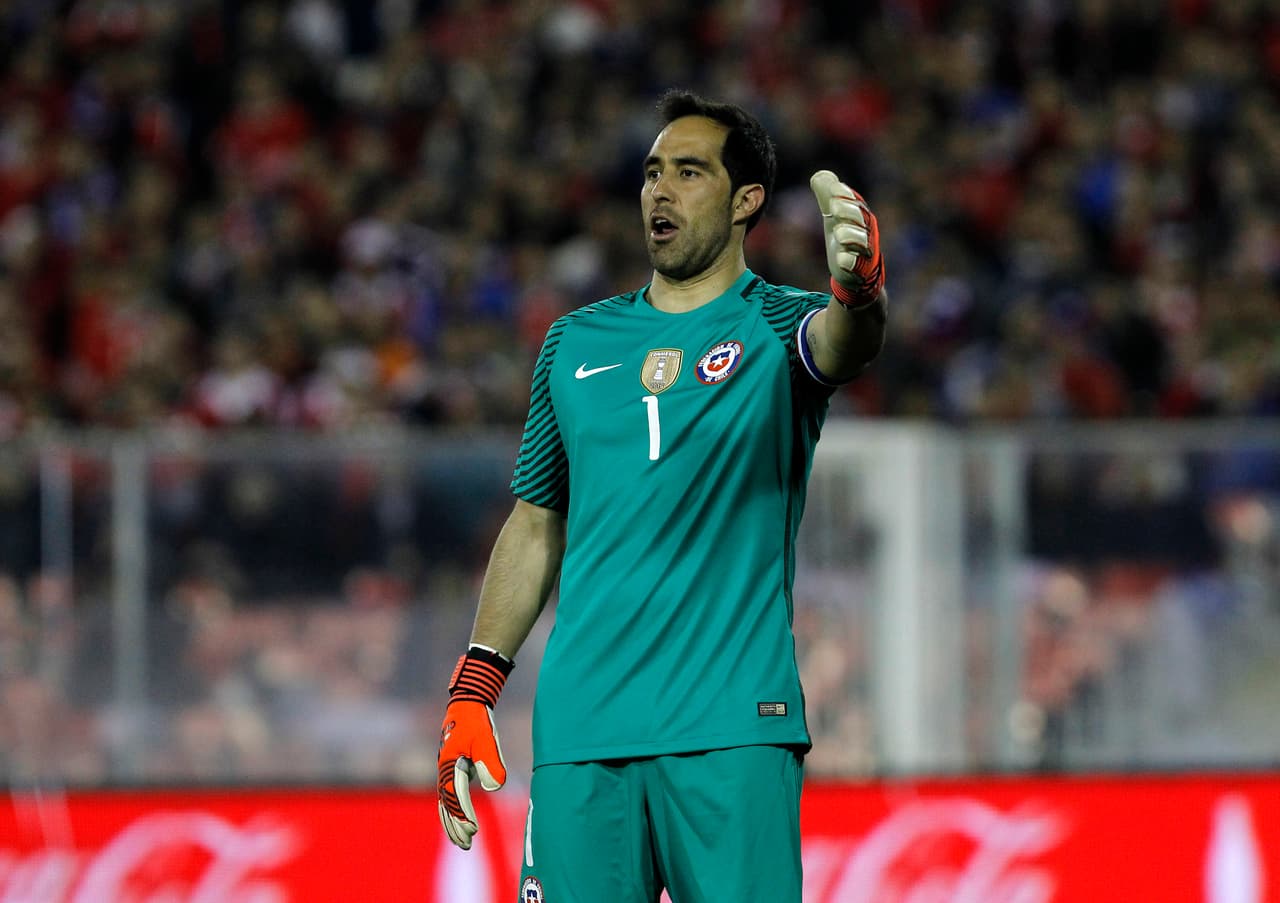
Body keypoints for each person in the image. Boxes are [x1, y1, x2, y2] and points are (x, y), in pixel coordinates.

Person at [436, 88, 887, 902]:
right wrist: (475, 688)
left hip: (729, 728)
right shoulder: (573, 343)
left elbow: (844, 343)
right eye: (651, 173)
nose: (660, 192)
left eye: (689, 171)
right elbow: (536, 522)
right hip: (581, 731)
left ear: (746, 198)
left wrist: (860, 291)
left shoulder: (778, 327)